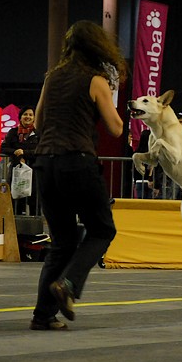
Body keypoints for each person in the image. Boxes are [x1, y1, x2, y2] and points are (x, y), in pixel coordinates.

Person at [30, 20, 127, 330]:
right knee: (102, 230)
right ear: (98, 47)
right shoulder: (96, 80)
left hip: (46, 162)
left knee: (62, 241)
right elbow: (116, 127)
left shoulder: (52, 77)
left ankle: (43, 316)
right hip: (78, 162)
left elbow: (37, 123)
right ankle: (69, 284)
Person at [0, 106, 39, 215]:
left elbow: (40, 150)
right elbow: (3, 148)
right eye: (25, 114)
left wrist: (24, 153)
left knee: (34, 202)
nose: (28, 117)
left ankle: (35, 228)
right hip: (17, 172)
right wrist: (15, 152)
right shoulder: (13, 132)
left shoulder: (38, 134)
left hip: (34, 173)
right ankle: (15, 227)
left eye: (31, 115)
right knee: (16, 201)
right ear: (20, 117)